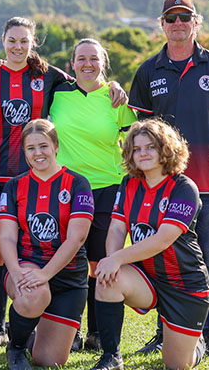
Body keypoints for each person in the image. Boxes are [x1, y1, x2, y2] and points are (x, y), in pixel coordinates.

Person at [0, 18, 124, 349]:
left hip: (43, 179)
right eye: (12, 40)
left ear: (33, 43)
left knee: (54, 247)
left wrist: (113, 84)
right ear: (3, 40)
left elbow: (88, 82)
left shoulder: (50, 76)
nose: (17, 46)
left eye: (24, 41)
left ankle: (68, 323)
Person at [128, 0, 209, 357]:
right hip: (163, 186)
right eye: (171, 18)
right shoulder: (148, 70)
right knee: (163, 261)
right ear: (162, 25)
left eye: (185, 17)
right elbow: (140, 130)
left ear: (196, 22)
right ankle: (165, 333)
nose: (178, 23)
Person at [92, 119, 209, 370]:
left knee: (177, 364)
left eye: (150, 147)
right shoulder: (129, 183)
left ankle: (197, 343)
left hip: (184, 283)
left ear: (166, 148)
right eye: (136, 149)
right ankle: (112, 357)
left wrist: (117, 259)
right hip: (147, 278)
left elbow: (163, 239)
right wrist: (111, 260)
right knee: (107, 280)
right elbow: (116, 228)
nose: (142, 153)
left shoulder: (184, 187)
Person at [48, 38, 136, 350]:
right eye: (81, 59)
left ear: (103, 63)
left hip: (107, 189)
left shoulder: (116, 99)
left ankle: (98, 332)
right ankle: (68, 329)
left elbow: (134, 143)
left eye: (94, 59)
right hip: (66, 189)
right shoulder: (56, 93)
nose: (88, 64)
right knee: (67, 261)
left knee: (100, 264)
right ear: (72, 64)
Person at [0, 119, 94, 370]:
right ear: (24, 152)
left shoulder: (78, 183)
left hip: (68, 278)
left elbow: (77, 238)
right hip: (27, 265)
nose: (37, 153)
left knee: (49, 360)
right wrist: (16, 272)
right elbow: (6, 236)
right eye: (30, 148)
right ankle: (16, 347)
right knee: (34, 294)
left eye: (43, 146)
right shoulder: (15, 185)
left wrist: (46, 274)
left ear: (56, 146)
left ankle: (27, 327)